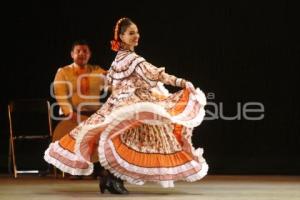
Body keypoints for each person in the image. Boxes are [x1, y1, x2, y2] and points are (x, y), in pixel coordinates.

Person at [44, 18, 208, 194]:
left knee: (126, 137)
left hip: (120, 105)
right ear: (121, 37)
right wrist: (183, 83)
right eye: (131, 33)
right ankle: (111, 178)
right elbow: (158, 75)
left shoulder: (117, 60)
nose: (136, 36)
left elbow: (111, 84)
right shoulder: (133, 59)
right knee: (128, 137)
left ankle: (110, 177)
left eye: (137, 32)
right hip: (128, 105)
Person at [51, 40, 107, 179]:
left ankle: (99, 168)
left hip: (94, 115)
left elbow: (112, 84)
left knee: (108, 129)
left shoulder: (98, 71)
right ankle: (75, 170)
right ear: (72, 54)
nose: (81, 54)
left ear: (90, 54)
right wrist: (70, 112)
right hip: (72, 114)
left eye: (85, 51)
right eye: (78, 51)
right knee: (75, 132)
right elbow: (60, 93)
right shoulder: (63, 72)